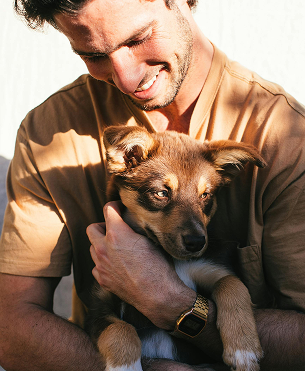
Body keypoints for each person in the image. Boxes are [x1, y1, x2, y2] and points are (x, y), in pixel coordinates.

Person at [0, 0, 305, 370]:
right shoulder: (49, 132)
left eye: (138, 38)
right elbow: (10, 328)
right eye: (94, 56)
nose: (126, 78)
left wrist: (170, 302)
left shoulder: (287, 138)